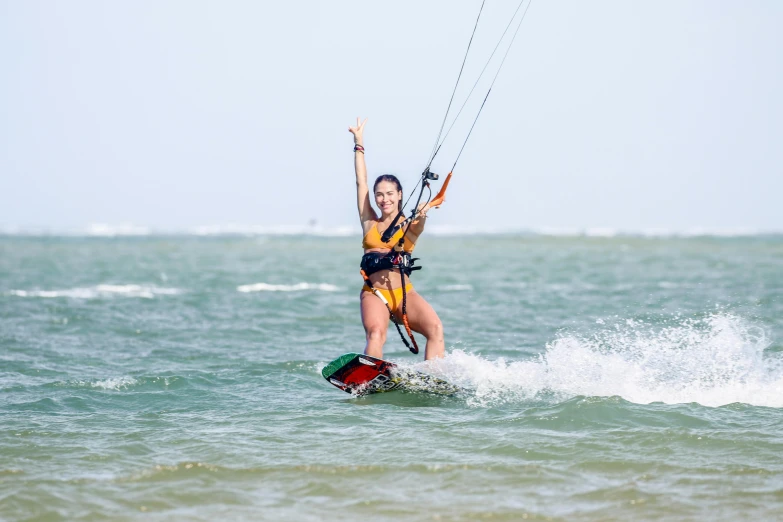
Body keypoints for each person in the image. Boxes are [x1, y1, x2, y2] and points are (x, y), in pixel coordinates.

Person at [349, 117, 445, 361]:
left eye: (390, 194)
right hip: (375, 293)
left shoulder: (410, 224)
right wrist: (359, 143)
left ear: (400, 195)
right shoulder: (369, 221)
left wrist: (422, 211)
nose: (384, 199)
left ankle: (434, 377)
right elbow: (361, 182)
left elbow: (420, 223)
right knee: (376, 333)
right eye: (379, 195)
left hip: (404, 294)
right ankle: (369, 375)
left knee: (435, 329)